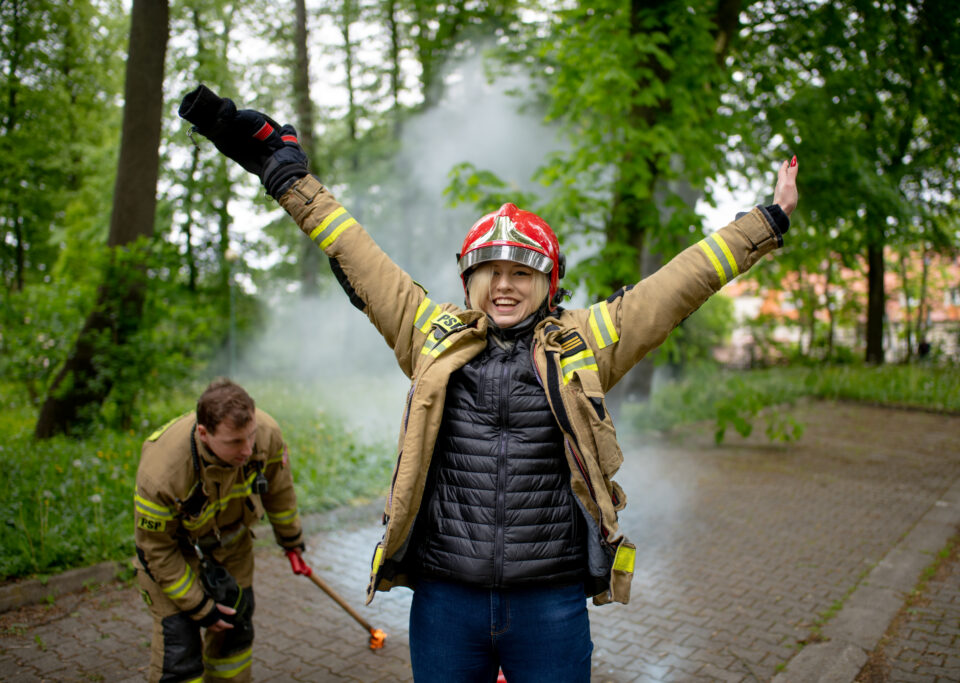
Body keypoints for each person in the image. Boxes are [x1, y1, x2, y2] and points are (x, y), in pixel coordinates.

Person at [178, 85, 798, 682]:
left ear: (549, 282)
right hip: (446, 603)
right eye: (489, 271)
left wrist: (765, 222)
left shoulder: (584, 341)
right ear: (468, 281)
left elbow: (677, 285)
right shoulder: (430, 333)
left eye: (522, 271)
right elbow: (356, 252)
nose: (504, 284)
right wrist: (290, 182)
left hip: (549, 604)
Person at [132, 378, 308, 683]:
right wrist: (201, 607)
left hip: (232, 545)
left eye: (250, 437)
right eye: (234, 442)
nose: (247, 450)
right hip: (176, 555)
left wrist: (291, 540)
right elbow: (156, 549)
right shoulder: (162, 473)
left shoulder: (265, 434)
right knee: (180, 653)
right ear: (204, 433)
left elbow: (279, 491)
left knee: (235, 636)